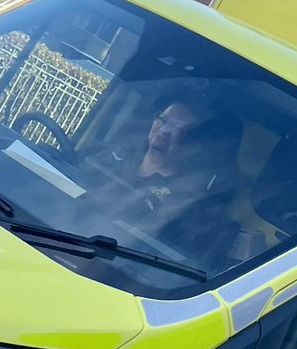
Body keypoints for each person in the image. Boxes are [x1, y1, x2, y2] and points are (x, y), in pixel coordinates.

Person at [85, 94, 242, 265]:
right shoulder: (111, 155)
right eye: (162, 119)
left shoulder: (185, 201)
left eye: (179, 129)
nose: (164, 130)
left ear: (194, 145)